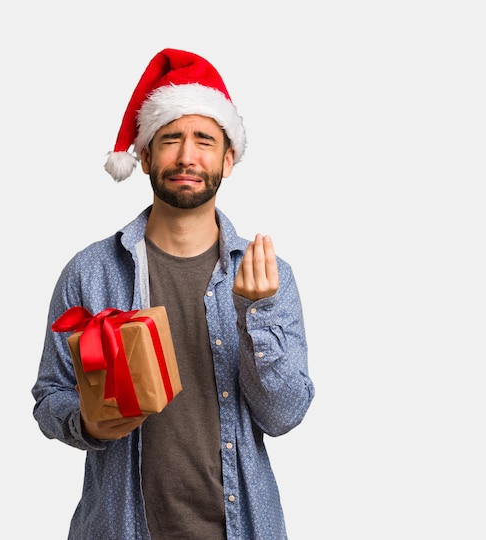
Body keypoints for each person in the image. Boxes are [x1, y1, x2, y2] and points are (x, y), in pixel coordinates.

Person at [32, 48, 315, 539]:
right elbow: (49, 397)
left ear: (229, 159)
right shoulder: (92, 272)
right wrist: (90, 423)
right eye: (170, 140)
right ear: (144, 156)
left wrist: (256, 313)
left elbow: (284, 415)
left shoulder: (267, 276)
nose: (187, 156)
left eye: (204, 140)